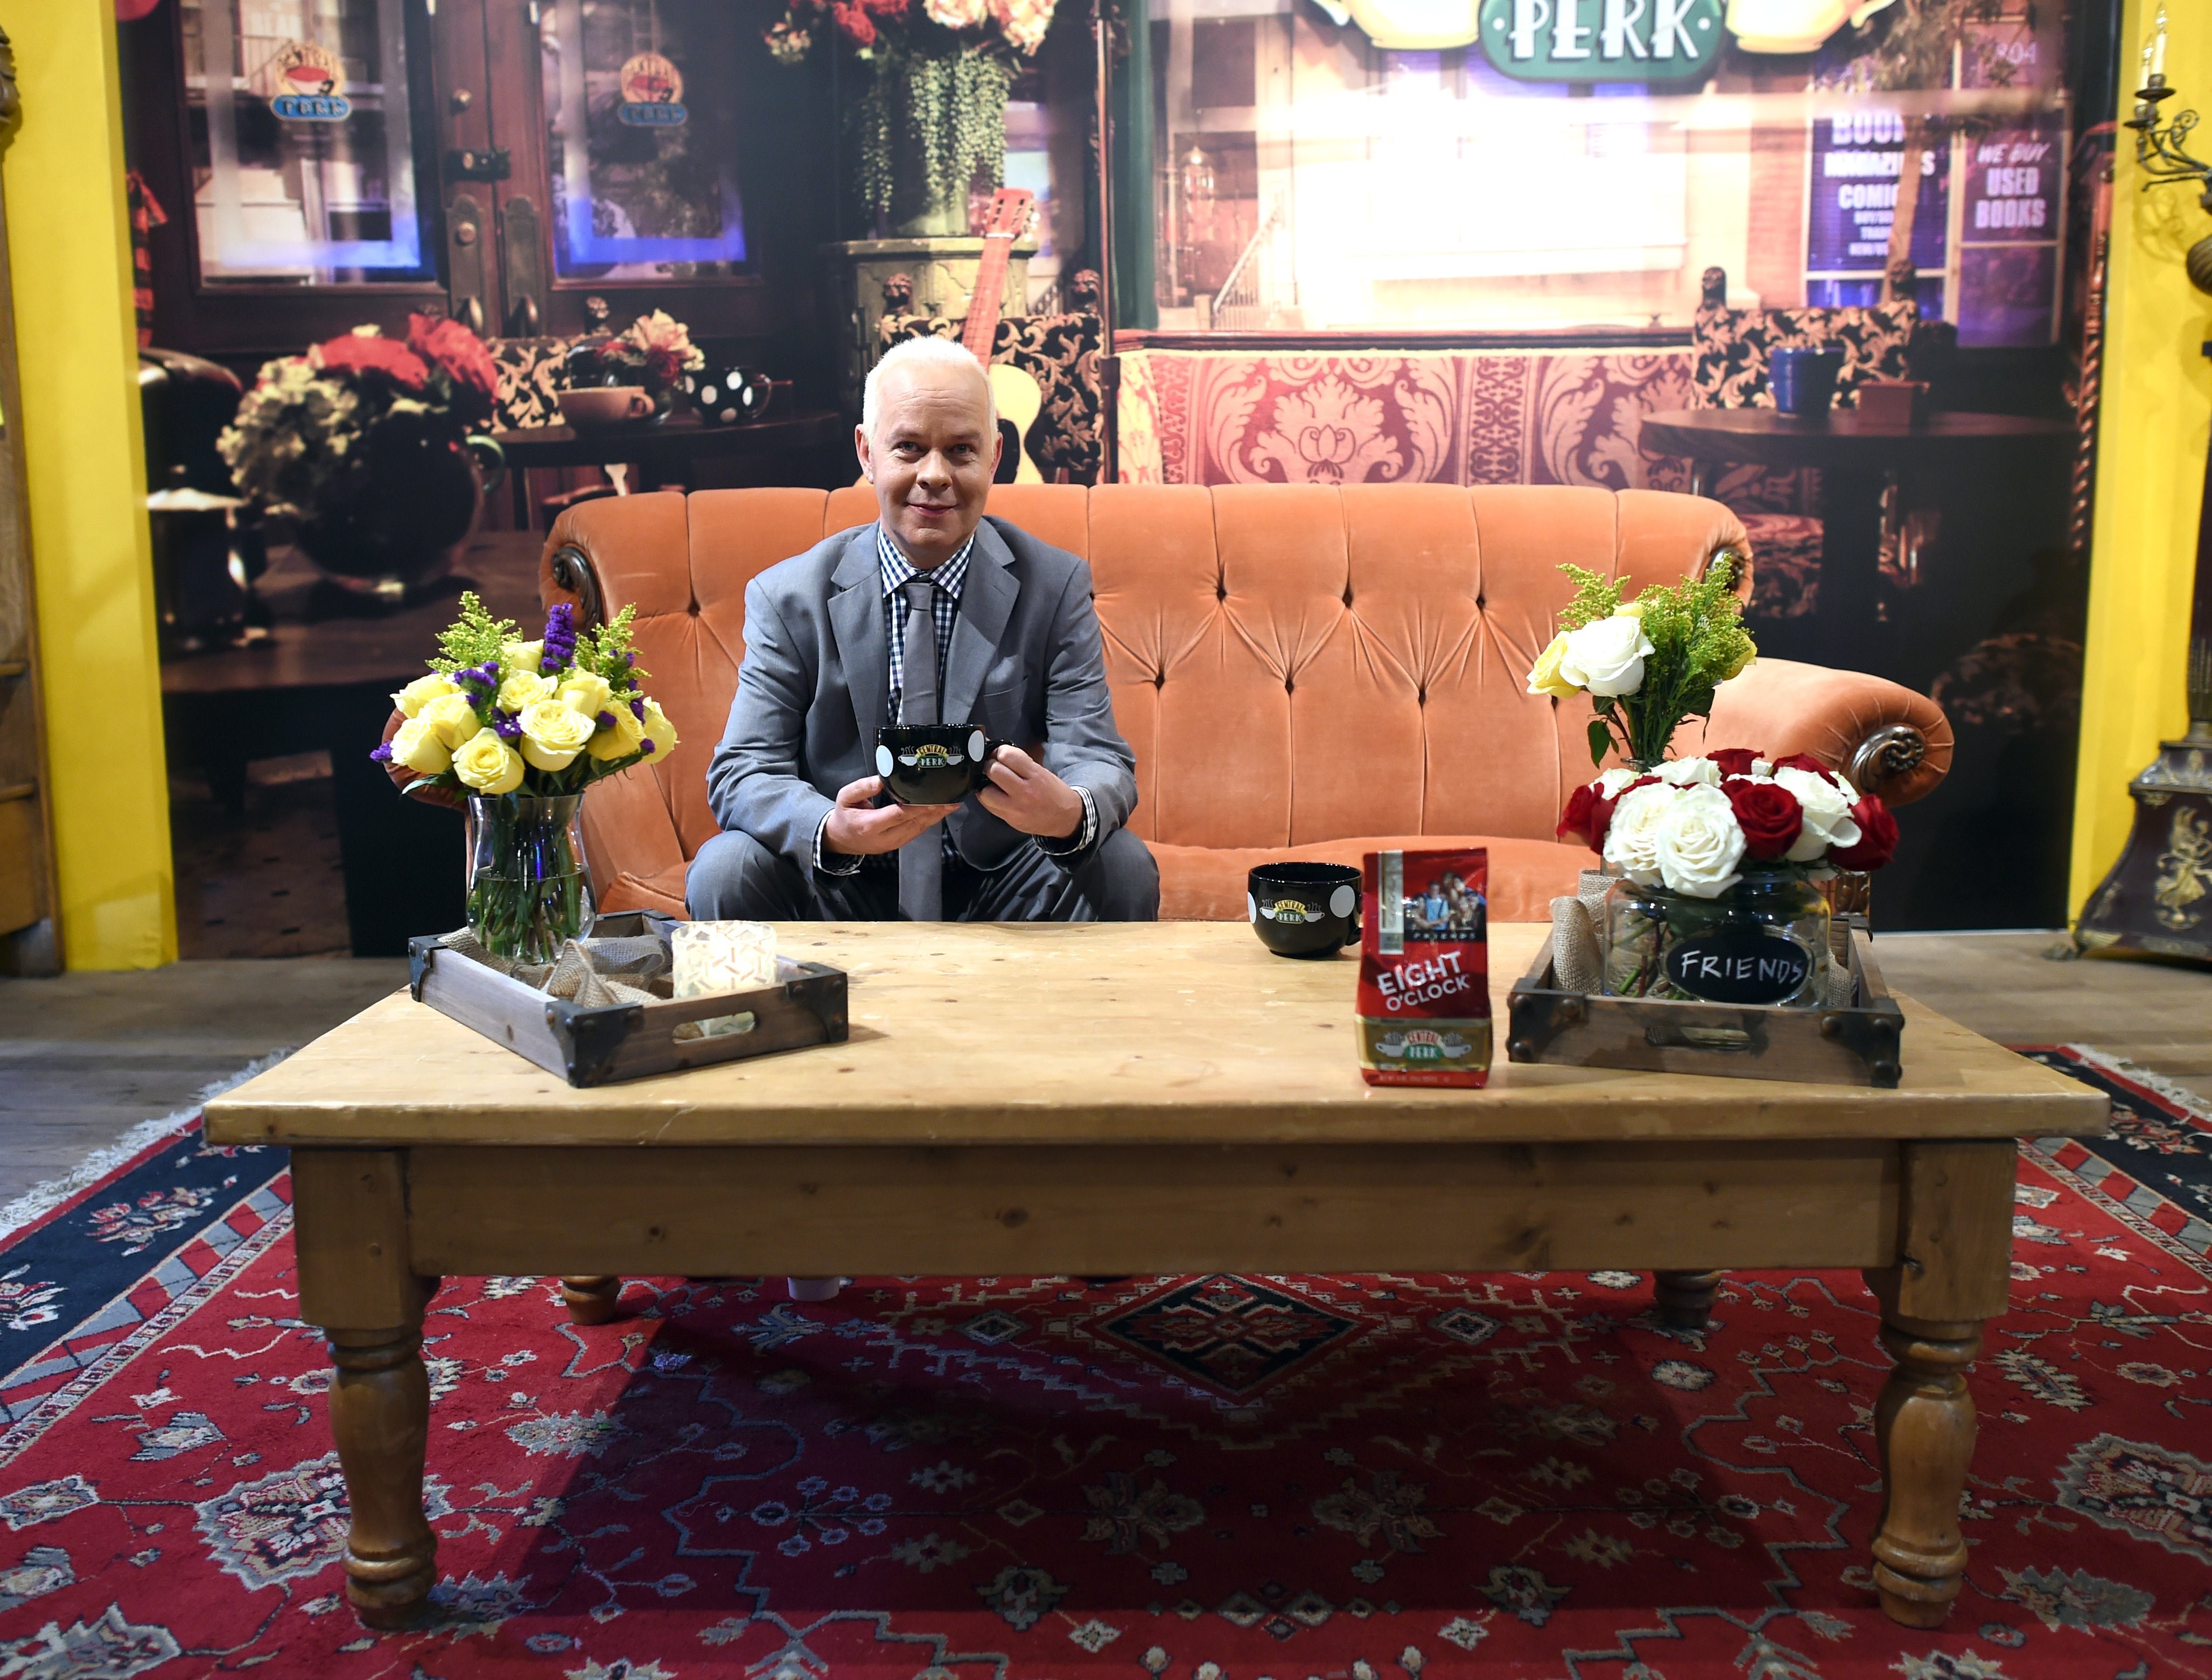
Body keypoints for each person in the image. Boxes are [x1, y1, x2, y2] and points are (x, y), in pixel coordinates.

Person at [686, 333, 1158, 923]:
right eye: (908, 448)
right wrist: (829, 828)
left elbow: (1099, 757)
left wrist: (1068, 810)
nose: (934, 475)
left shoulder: (1054, 586)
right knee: (726, 866)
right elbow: (743, 770)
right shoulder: (789, 597)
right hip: (843, 878)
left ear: (993, 456)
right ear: (866, 453)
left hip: (1002, 878)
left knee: (1121, 862)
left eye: (961, 450)